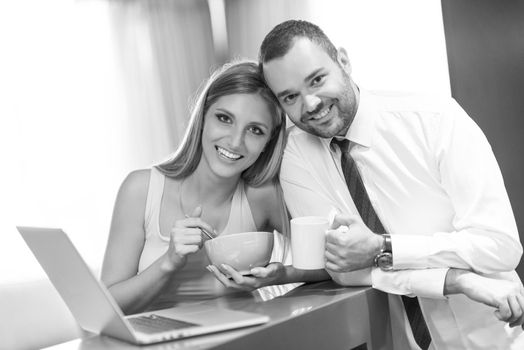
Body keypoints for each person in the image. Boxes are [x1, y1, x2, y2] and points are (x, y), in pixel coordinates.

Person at [259, 20, 524, 349]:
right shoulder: (297, 158)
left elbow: (499, 246)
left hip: (493, 338)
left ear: (343, 61)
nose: (310, 103)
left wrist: (384, 248)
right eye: (290, 97)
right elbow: (345, 269)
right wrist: (457, 279)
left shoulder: (435, 119)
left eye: (317, 79)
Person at [101, 60, 328, 314]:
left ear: (268, 142)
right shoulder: (141, 189)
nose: (235, 141)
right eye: (224, 119)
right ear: (203, 118)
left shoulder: (261, 197)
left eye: (255, 130)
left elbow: (335, 264)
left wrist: (280, 275)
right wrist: (169, 262)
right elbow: (106, 307)